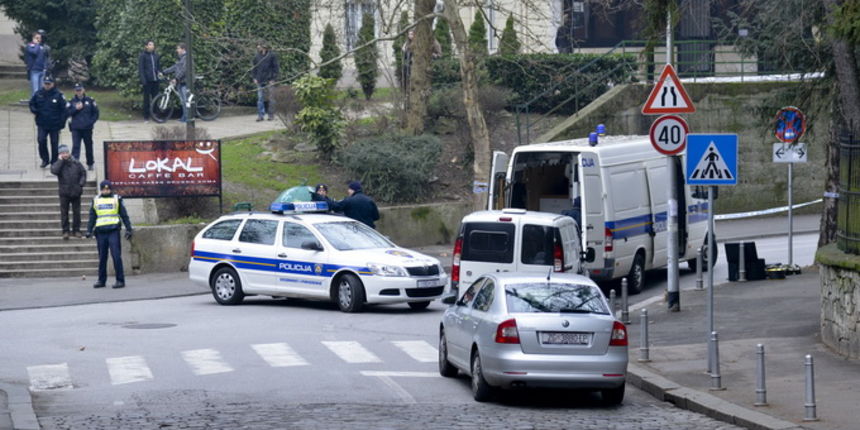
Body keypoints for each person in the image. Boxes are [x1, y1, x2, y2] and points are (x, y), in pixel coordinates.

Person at [86, 180, 133, 289]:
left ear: (111, 189)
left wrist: (129, 229)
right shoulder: (96, 200)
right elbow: (92, 217)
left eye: (107, 189)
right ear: (101, 189)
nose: (106, 191)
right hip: (100, 232)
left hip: (113, 231)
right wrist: (89, 230)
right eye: (103, 189)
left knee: (116, 256)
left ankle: (120, 280)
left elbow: (124, 215)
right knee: (102, 257)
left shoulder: (116, 199)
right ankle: (101, 280)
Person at [50, 145, 87, 240]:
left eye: (66, 152)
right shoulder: (59, 164)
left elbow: (83, 173)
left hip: (76, 192)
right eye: (63, 153)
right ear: (60, 154)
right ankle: (65, 231)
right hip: (64, 192)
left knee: (76, 213)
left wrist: (81, 184)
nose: (65, 154)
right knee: (64, 213)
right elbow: (54, 171)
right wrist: (60, 161)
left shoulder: (76, 162)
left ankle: (76, 230)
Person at [29, 76, 66, 168]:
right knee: (41, 140)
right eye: (46, 84)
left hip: (54, 124)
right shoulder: (38, 94)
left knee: (54, 143)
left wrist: (62, 123)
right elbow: (32, 104)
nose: (47, 85)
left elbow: (64, 110)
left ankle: (54, 161)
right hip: (42, 123)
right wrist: (35, 111)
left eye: (49, 84)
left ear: (53, 84)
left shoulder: (58, 95)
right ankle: (45, 159)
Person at [66, 83, 99, 171]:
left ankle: (90, 163)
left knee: (88, 146)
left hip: (87, 128)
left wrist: (90, 122)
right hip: (76, 128)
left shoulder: (90, 100)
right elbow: (67, 113)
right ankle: (74, 164)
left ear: (83, 90)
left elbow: (95, 113)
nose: (79, 92)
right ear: (74, 91)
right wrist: (76, 109)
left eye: (80, 90)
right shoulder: (71, 101)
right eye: (77, 90)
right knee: (76, 146)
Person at [251, 42, 279, 121]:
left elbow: (276, 68)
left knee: (271, 98)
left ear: (264, 47)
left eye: (259, 46)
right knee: (260, 98)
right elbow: (254, 67)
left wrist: (273, 79)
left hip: (269, 80)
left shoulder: (272, 55)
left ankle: (271, 115)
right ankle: (260, 115)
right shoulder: (257, 56)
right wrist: (254, 78)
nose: (258, 48)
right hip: (260, 79)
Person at [161, 43, 188, 122]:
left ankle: (187, 117)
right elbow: (174, 67)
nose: (177, 50)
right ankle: (185, 116)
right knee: (182, 101)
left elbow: (184, 70)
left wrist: (176, 78)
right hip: (180, 82)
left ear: (183, 49)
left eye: (178, 48)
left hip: (185, 82)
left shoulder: (186, 58)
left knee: (185, 100)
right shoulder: (180, 58)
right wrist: (164, 72)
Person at [138, 40, 161, 122]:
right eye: (150, 45)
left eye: (153, 45)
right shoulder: (143, 56)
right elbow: (141, 69)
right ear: (146, 46)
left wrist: (160, 74)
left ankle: (156, 115)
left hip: (155, 80)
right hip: (147, 80)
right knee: (146, 99)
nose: (152, 46)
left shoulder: (156, 56)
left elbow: (158, 67)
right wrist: (143, 80)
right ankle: (146, 116)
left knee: (156, 98)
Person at [24, 30, 51, 96]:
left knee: (41, 89)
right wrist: (36, 44)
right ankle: (34, 101)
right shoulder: (30, 46)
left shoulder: (43, 47)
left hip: (42, 70)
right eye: (37, 38)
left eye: (40, 38)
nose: (39, 39)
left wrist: (45, 67)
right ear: (33, 38)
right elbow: (34, 52)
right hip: (34, 70)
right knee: (35, 90)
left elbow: (45, 58)